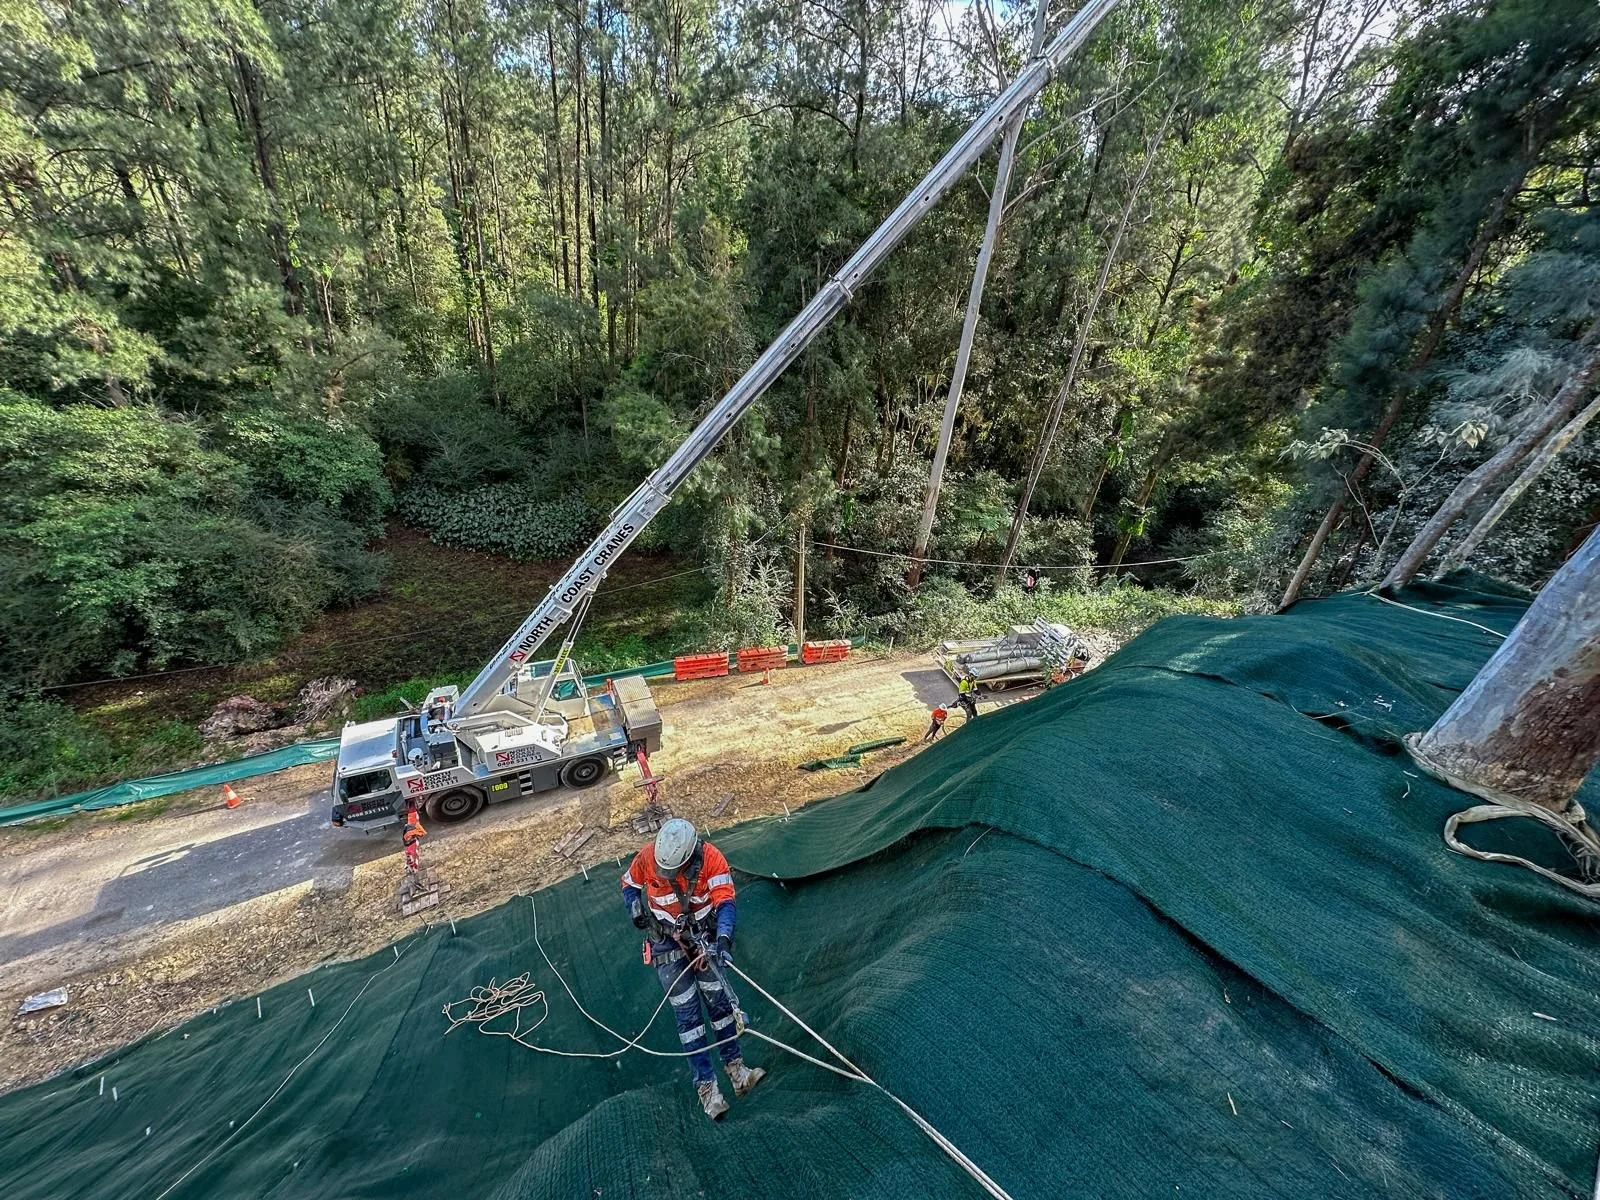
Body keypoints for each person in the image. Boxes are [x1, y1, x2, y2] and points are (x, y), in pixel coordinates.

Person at [621, 818, 765, 1120]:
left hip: (705, 941)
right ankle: (708, 1090)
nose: (665, 873)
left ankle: (737, 1072)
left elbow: (725, 902)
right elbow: (630, 884)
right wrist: (634, 907)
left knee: (721, 1007)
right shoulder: (649, 856)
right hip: (666, 946)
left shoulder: (712, 860)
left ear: (689, 858)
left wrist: (723, 939)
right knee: (689, 1019)